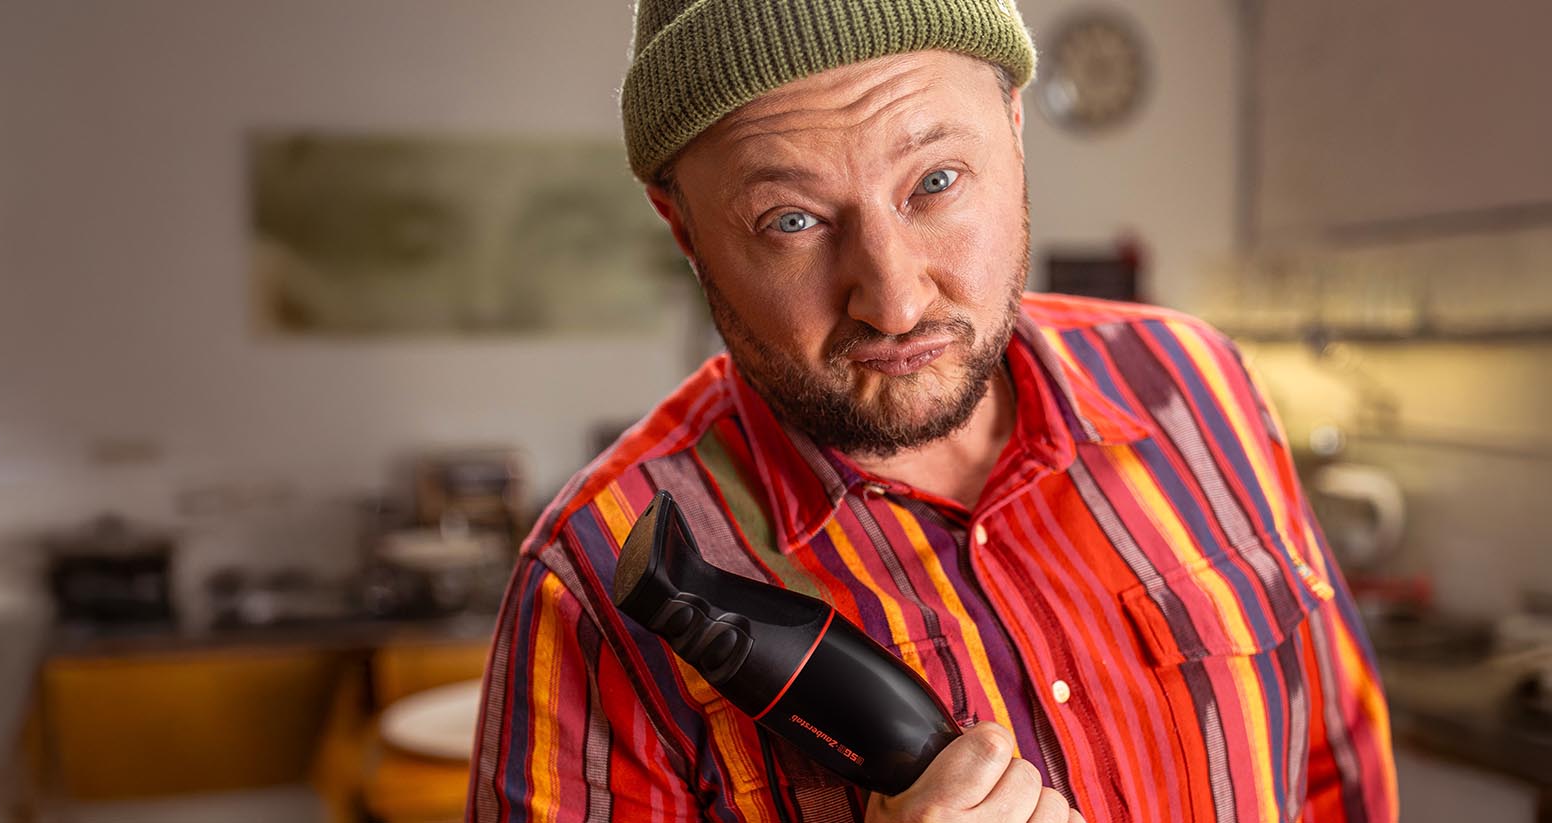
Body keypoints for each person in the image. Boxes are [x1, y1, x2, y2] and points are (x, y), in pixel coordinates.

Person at [467, 1, 1397, 821]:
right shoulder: (590, 579)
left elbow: (1337, 770)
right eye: (792, 220)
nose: (896, 301)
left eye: (937, 182)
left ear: (1016, 130)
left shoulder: (1199, 384)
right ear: (683, 227)